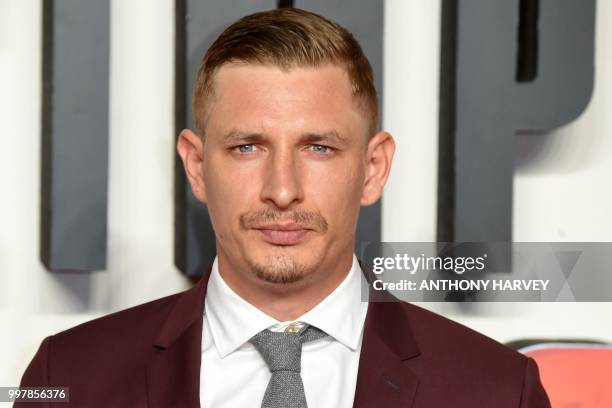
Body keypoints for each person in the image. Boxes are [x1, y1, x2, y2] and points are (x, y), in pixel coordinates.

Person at [18, 8, 550, 407]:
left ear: (373, 168)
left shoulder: (497, 391)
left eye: (318, 148)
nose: (282, 189)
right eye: (247, 146)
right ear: (198, 166)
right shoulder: (69, 379)